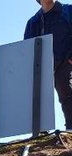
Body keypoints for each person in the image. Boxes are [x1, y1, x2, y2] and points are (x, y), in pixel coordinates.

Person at [24, 0, 72, 130]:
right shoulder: (33, 22)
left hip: (66, 64)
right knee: (37, 98)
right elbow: (27, 48)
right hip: (42, 68)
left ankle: (71, 130)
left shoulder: (69, 11)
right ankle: (40, 132)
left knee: (67, 93)